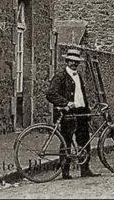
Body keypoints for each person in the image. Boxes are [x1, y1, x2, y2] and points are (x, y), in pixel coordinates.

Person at [45, 48, 98, 179]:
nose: (74, 64)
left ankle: (85, 169)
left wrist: (87, 108)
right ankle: (65, 171)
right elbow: (50, 94)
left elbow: (81, 94)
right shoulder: (60, 76)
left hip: (81, 113)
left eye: (76, 62)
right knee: (66, 142)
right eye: (71, 61)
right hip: (68, 113)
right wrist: (65, 103)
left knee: (84, 140)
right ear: (66, 61)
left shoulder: (78, 75)